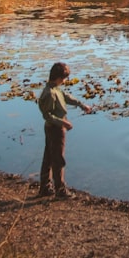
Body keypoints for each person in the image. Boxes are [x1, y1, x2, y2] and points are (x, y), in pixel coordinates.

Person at [37, 61, 93, 197]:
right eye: (64, 78)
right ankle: (60, 190)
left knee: (49, 157)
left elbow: (65, 97)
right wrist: (63, 123)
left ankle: (45, 187)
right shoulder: (49, 93)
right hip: (55, 129)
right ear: (58, 78)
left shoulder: (55, 89)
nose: (64, 81)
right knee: (57, 159)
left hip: (55, 128)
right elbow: (47, 115)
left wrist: (81, 104)